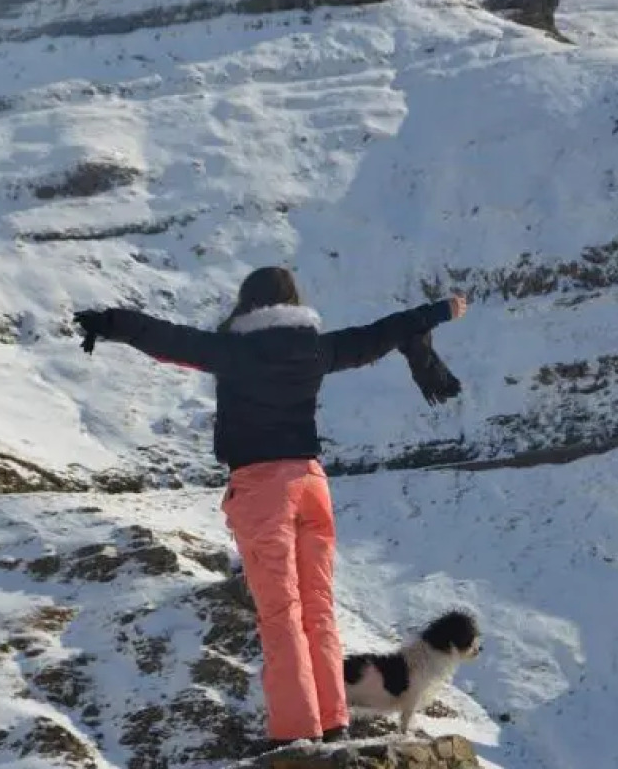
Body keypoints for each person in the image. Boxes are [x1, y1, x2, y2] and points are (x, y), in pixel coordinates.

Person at [72, 267, 468, 748]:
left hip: (262, 490)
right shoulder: (317, 348)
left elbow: (162, 336)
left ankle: (296, 733)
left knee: (281, 615)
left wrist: (105, 322)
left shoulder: (232, 351)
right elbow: (382, 333)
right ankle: (333, 720)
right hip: (311, 484)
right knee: (318, 611)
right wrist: (442, 310)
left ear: (246, 303)